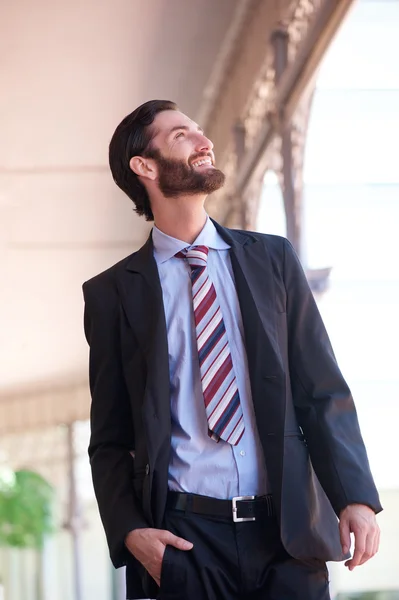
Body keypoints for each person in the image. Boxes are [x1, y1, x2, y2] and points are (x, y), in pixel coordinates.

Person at [82, 99, 382, 600]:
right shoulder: (114, 293)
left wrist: (354, 496)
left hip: (287, 534)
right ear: (145, 166)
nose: (205, 141)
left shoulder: (273, 259)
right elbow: (110, 436)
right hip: (184, 542)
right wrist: (131, 532)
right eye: (182, 135)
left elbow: (321, 388)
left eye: (201, 130)